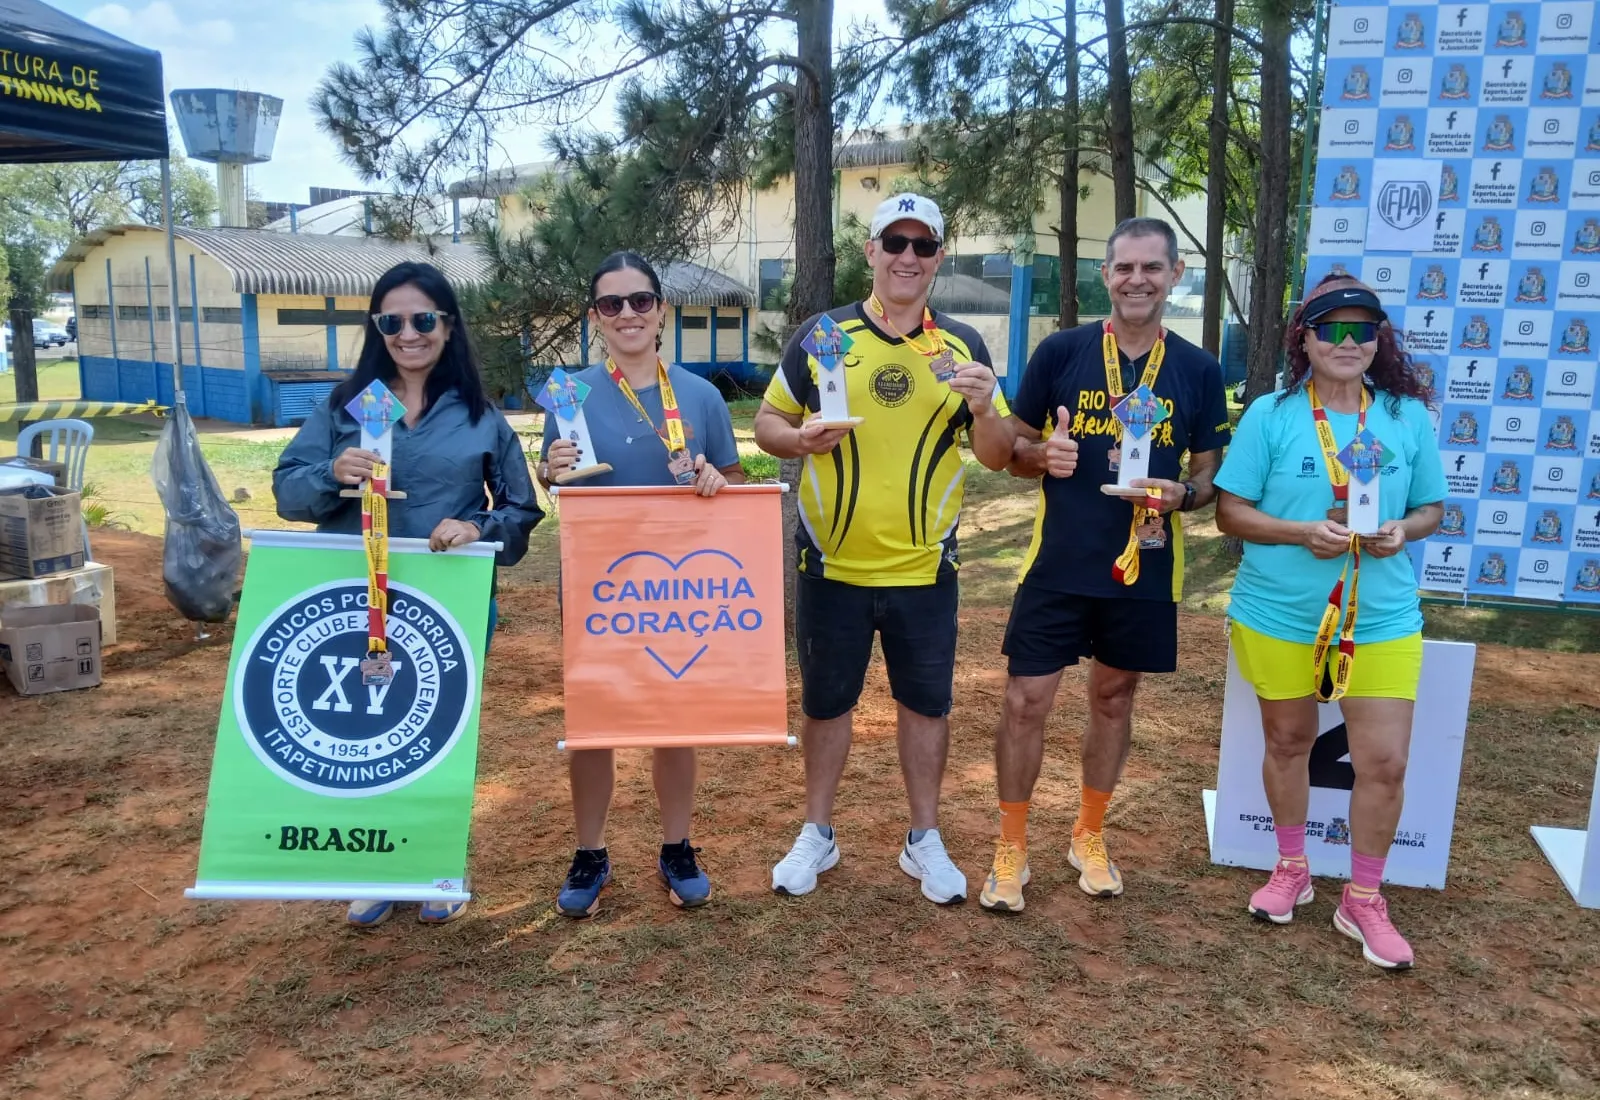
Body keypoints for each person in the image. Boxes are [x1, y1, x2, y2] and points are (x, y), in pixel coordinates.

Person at [754, 193, 1017, 905]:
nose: (907, 257)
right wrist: (799, 440)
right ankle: (819, 832)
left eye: (922, 246)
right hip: (831, 565)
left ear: (938, 257)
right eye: (893, 243)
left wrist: (989, 407)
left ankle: (923, 839)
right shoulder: (823, 334)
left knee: (926, 706)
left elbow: (996, 455)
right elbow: (767, 423)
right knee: (826, 704)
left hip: (924, 568)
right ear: (869, 252)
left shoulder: (963, 346)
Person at [273, 260, 544, 928]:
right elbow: (287, 489)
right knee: (363, 731)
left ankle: (434, 861)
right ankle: (375, 866)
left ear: (447, 327)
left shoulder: (483, 419)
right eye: (391, 321)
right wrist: (332, 472)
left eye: (423, 319)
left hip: (447, 602)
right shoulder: (344, 408)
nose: (408, 333)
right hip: (351, 597)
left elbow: (520, 512)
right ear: (377, 329)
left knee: (438, 733)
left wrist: (475, 524)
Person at [982, 217, 1230, 913]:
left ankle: (1088, 833)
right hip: (1058, 564)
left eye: (1152, 267)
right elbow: (1010, 452)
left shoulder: (1198, 368)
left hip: (1145, 564)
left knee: (1113, 700)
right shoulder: (1061, 352)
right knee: (1025, 701)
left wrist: (1188, 494)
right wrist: (1040, 457)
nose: (1137, 279)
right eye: (1124, 267)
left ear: (1176, 273)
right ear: (1106, 275)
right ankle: (1012, 846)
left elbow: (1210, 472)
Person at [1214, 275, 1444, 970]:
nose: (1349, 343)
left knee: (1385, 762)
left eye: (1364, 330)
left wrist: (1402, 530)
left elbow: (1432, 508)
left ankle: (1364, 898)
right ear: (1304, 339)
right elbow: (1231, 513)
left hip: (1380, 617)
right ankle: (1292, 867)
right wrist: (1297, 532)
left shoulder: (1405, 417)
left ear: (1381, 341)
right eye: (1332, 329)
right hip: (1279, 613)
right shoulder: (1272, 414)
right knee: (1288, 742)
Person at [537, 251, 746, 918]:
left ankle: (676, 846)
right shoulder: (569, 395)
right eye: (610, 304)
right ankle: (591, 853)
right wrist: (549, 470)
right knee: (595, 727)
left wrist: (715, 481)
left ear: (661, 309)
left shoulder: (702, 396)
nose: (627, 313)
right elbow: (556, 482)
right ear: (596, 318)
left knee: (672, 724)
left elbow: (734, 486)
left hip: (677, 595)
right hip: (600, 589)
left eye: (639, 300)